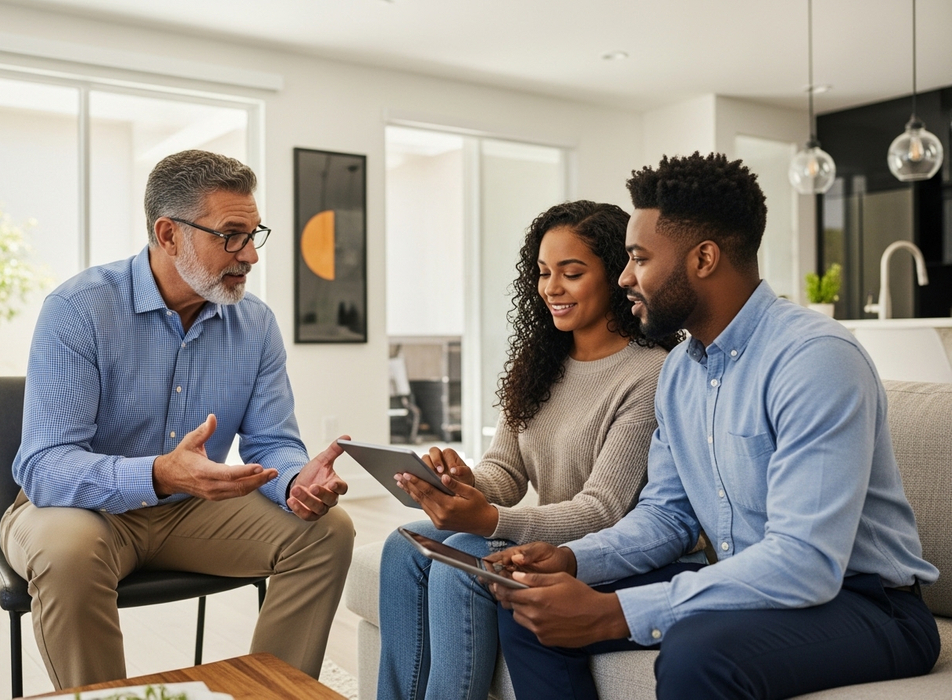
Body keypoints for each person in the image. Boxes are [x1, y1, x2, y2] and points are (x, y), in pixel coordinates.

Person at [490, 152, 941, 700]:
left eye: (639, 259)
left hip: (866, 603)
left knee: (700, 650)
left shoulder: (814, 358)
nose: (626, 277)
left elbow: (806, 563)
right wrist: (573, 559)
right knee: (533, 612)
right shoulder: (681, 370)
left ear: (704, 258)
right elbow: (666, 516)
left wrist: (613, 613)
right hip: (755, 582)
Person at [1, 149, 355, 689]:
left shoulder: (255, 324)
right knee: (68, 554)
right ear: (169, 235)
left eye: (254, 235)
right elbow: (45, 467)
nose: (250, 257)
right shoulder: (78, 308)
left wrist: (294, 480)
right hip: (78, 510)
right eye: (231, 235)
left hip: (191, 510)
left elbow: (272, 442)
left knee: (327, 530)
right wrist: (158, 475)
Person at [376, 200, 683, 700]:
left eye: (572, 272)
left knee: (463, 558)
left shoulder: (648, 372)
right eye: (542, 273)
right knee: (401, 545)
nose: (552, 288)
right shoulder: (541, 363)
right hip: (553, 527)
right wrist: (462, 481)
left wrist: (489, 522)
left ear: (616, 275)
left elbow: (604, 510)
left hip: (604, 545)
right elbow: (506, 471)